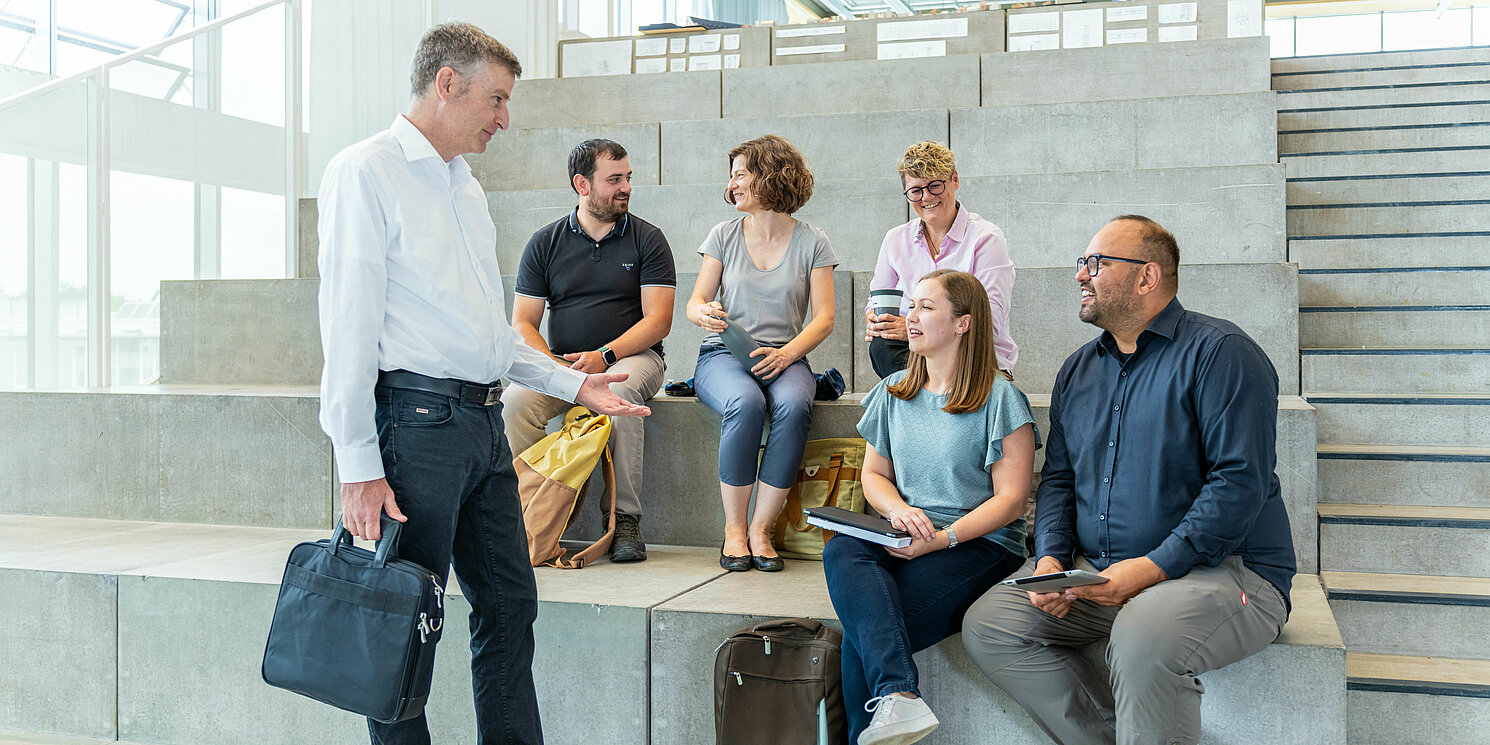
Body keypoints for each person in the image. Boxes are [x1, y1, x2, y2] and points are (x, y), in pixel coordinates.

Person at [316, 23, 649, 745]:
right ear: (447, 84)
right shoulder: (365, 171)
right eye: (495, 99)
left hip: (479, 425)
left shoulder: (466, 188)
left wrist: (573, 383)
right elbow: (346, 326)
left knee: (509, 606)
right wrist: (357, 464)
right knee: (404, 624)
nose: (504, 117)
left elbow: (490, 337)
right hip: (411, 425)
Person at [960, 216, 1296, 745]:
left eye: (1096, 264)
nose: (1080, 276)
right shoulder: (1077, 370)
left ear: (1147, 277)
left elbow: (1239, 484)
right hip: (1098, 572)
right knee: (992, 625)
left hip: (1224, 573)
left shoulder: (1223, 353)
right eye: (1081, 264)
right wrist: (1050, 557)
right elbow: (1061, 481)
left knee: (1143, 637)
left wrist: (1151, 568)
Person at [824, 269, 1036, 745]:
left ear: (963, 323)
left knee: (864, 638)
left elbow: (1012, 500)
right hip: (907, 529)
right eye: (911, 304)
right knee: (842, 548)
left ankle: (897, 696)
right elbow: (874, 477)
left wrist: (942, 539)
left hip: (978, 543)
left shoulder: (1001, 399)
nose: (910, 316)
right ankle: (899, 698)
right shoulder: (894, 390)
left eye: (925, 306)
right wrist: (897, 511)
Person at [501, 138, 676, 563]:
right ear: (582, 184)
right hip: (563, 362)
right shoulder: (544, 243)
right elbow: (523, 322)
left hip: (634, 359)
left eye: (628, 178)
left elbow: (658, 321)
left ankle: (624, 520)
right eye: (614, 179)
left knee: (620, 397)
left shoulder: (648, 240)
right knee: (513, 404)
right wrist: (553, 367)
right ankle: (529, 510)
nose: (626, 187)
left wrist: (605, 357)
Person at [686, 134, 838, 573]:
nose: (732, 185)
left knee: (793, 404)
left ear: (769, 175)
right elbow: (695, 302)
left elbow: (824, 319)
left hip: (787, 356)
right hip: (723, 355)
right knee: (746, 402)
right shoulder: (723, 235)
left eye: (740, 174)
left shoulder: (814, 242)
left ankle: (760, 529)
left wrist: (788, 355)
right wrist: (706, 314)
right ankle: (734, 531)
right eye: (731, 176)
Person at [865, 141, 1017, 379]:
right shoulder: (895, 239)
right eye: (916, 191)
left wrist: (914, 328)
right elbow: (875, 302)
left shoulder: (986, 238)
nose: (926, 197)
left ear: (954, 180)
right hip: (915, 357)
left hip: (972, 356)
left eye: (935, 186)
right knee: (882, 347)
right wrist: (878, 322)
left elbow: (989, 318)